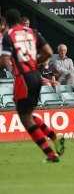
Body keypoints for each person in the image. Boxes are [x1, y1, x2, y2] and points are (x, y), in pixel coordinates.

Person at [0, 9, 64, 163]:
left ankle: (50, 154)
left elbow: (4, 60)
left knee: (25, 118)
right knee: (27, 113)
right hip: (36, 75)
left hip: (23, 79)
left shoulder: (8, 35)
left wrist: (15, 66)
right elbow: (49, 52)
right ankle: (54, 137)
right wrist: (35, 63)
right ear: (20, 20)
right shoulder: (32, 32)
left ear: (7, 22)